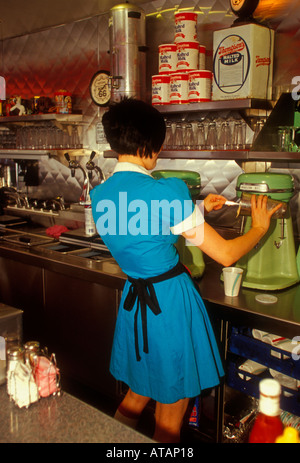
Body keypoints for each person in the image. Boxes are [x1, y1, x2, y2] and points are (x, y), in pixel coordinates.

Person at [90, 97, 281, 443]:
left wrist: (195, 211)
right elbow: (224, 255)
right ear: (152, 145)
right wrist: (258, 228)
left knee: (135, 396)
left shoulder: (101, 194)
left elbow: (142, 225)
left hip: (135, 304)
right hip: (169, 309)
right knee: (168, 421)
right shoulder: (167, 191)